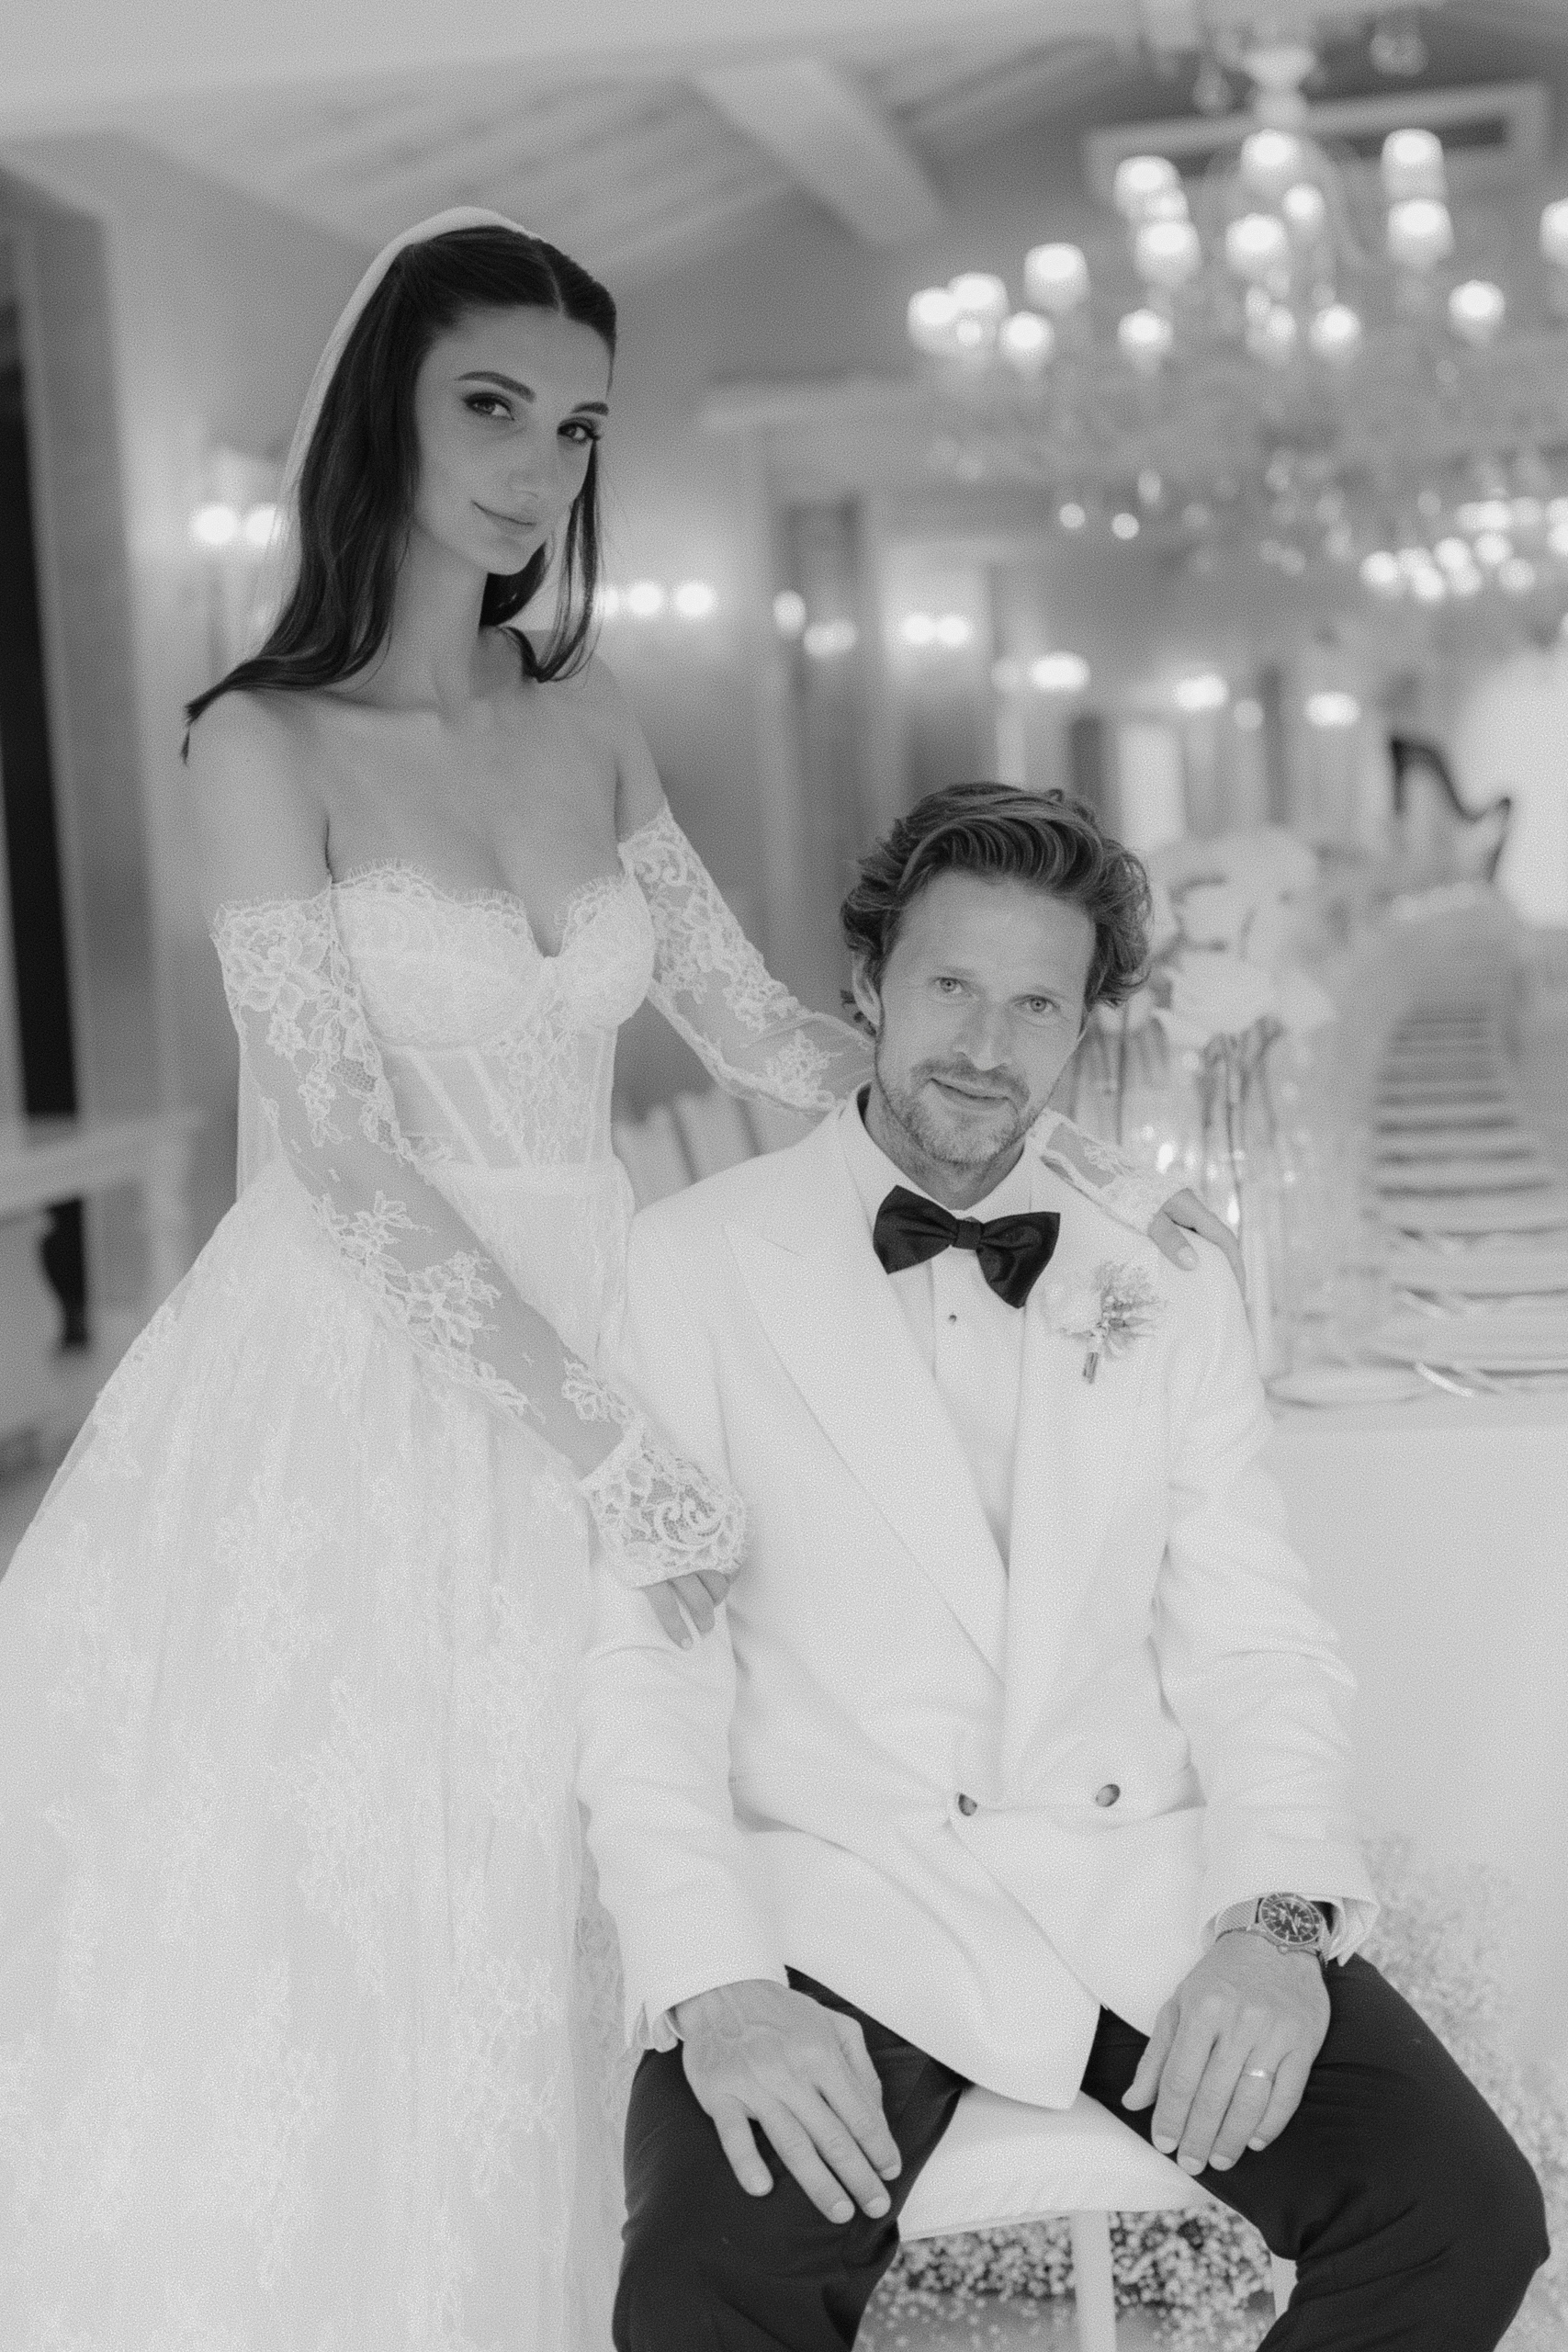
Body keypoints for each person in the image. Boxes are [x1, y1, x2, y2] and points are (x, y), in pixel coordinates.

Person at [0, 220, 1225, 2346]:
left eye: (575, 426)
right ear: (380, 409)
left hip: (620, 1293)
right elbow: (341, 1154)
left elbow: (759, 1029)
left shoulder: (590, 716)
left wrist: (1050, 1147)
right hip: (371, 1364)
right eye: (490, 405)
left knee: (623, 1846)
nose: (537, 465)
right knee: (396, 1885)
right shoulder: (260, 742)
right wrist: (601, 1440)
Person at [581, 781, 1551, 2352]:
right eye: (950, 986)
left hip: (1127, 1892)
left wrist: (1272, 1926)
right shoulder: (688, 1267)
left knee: (1462, 2212)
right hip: (844, 1908)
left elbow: (1257, 1643)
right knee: (702, 2291)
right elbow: (644, 1671)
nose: (986, 1044)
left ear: (1087, 1025)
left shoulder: (1163, 1270)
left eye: (1037, 1004)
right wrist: (718, 1984)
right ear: (867, 986)